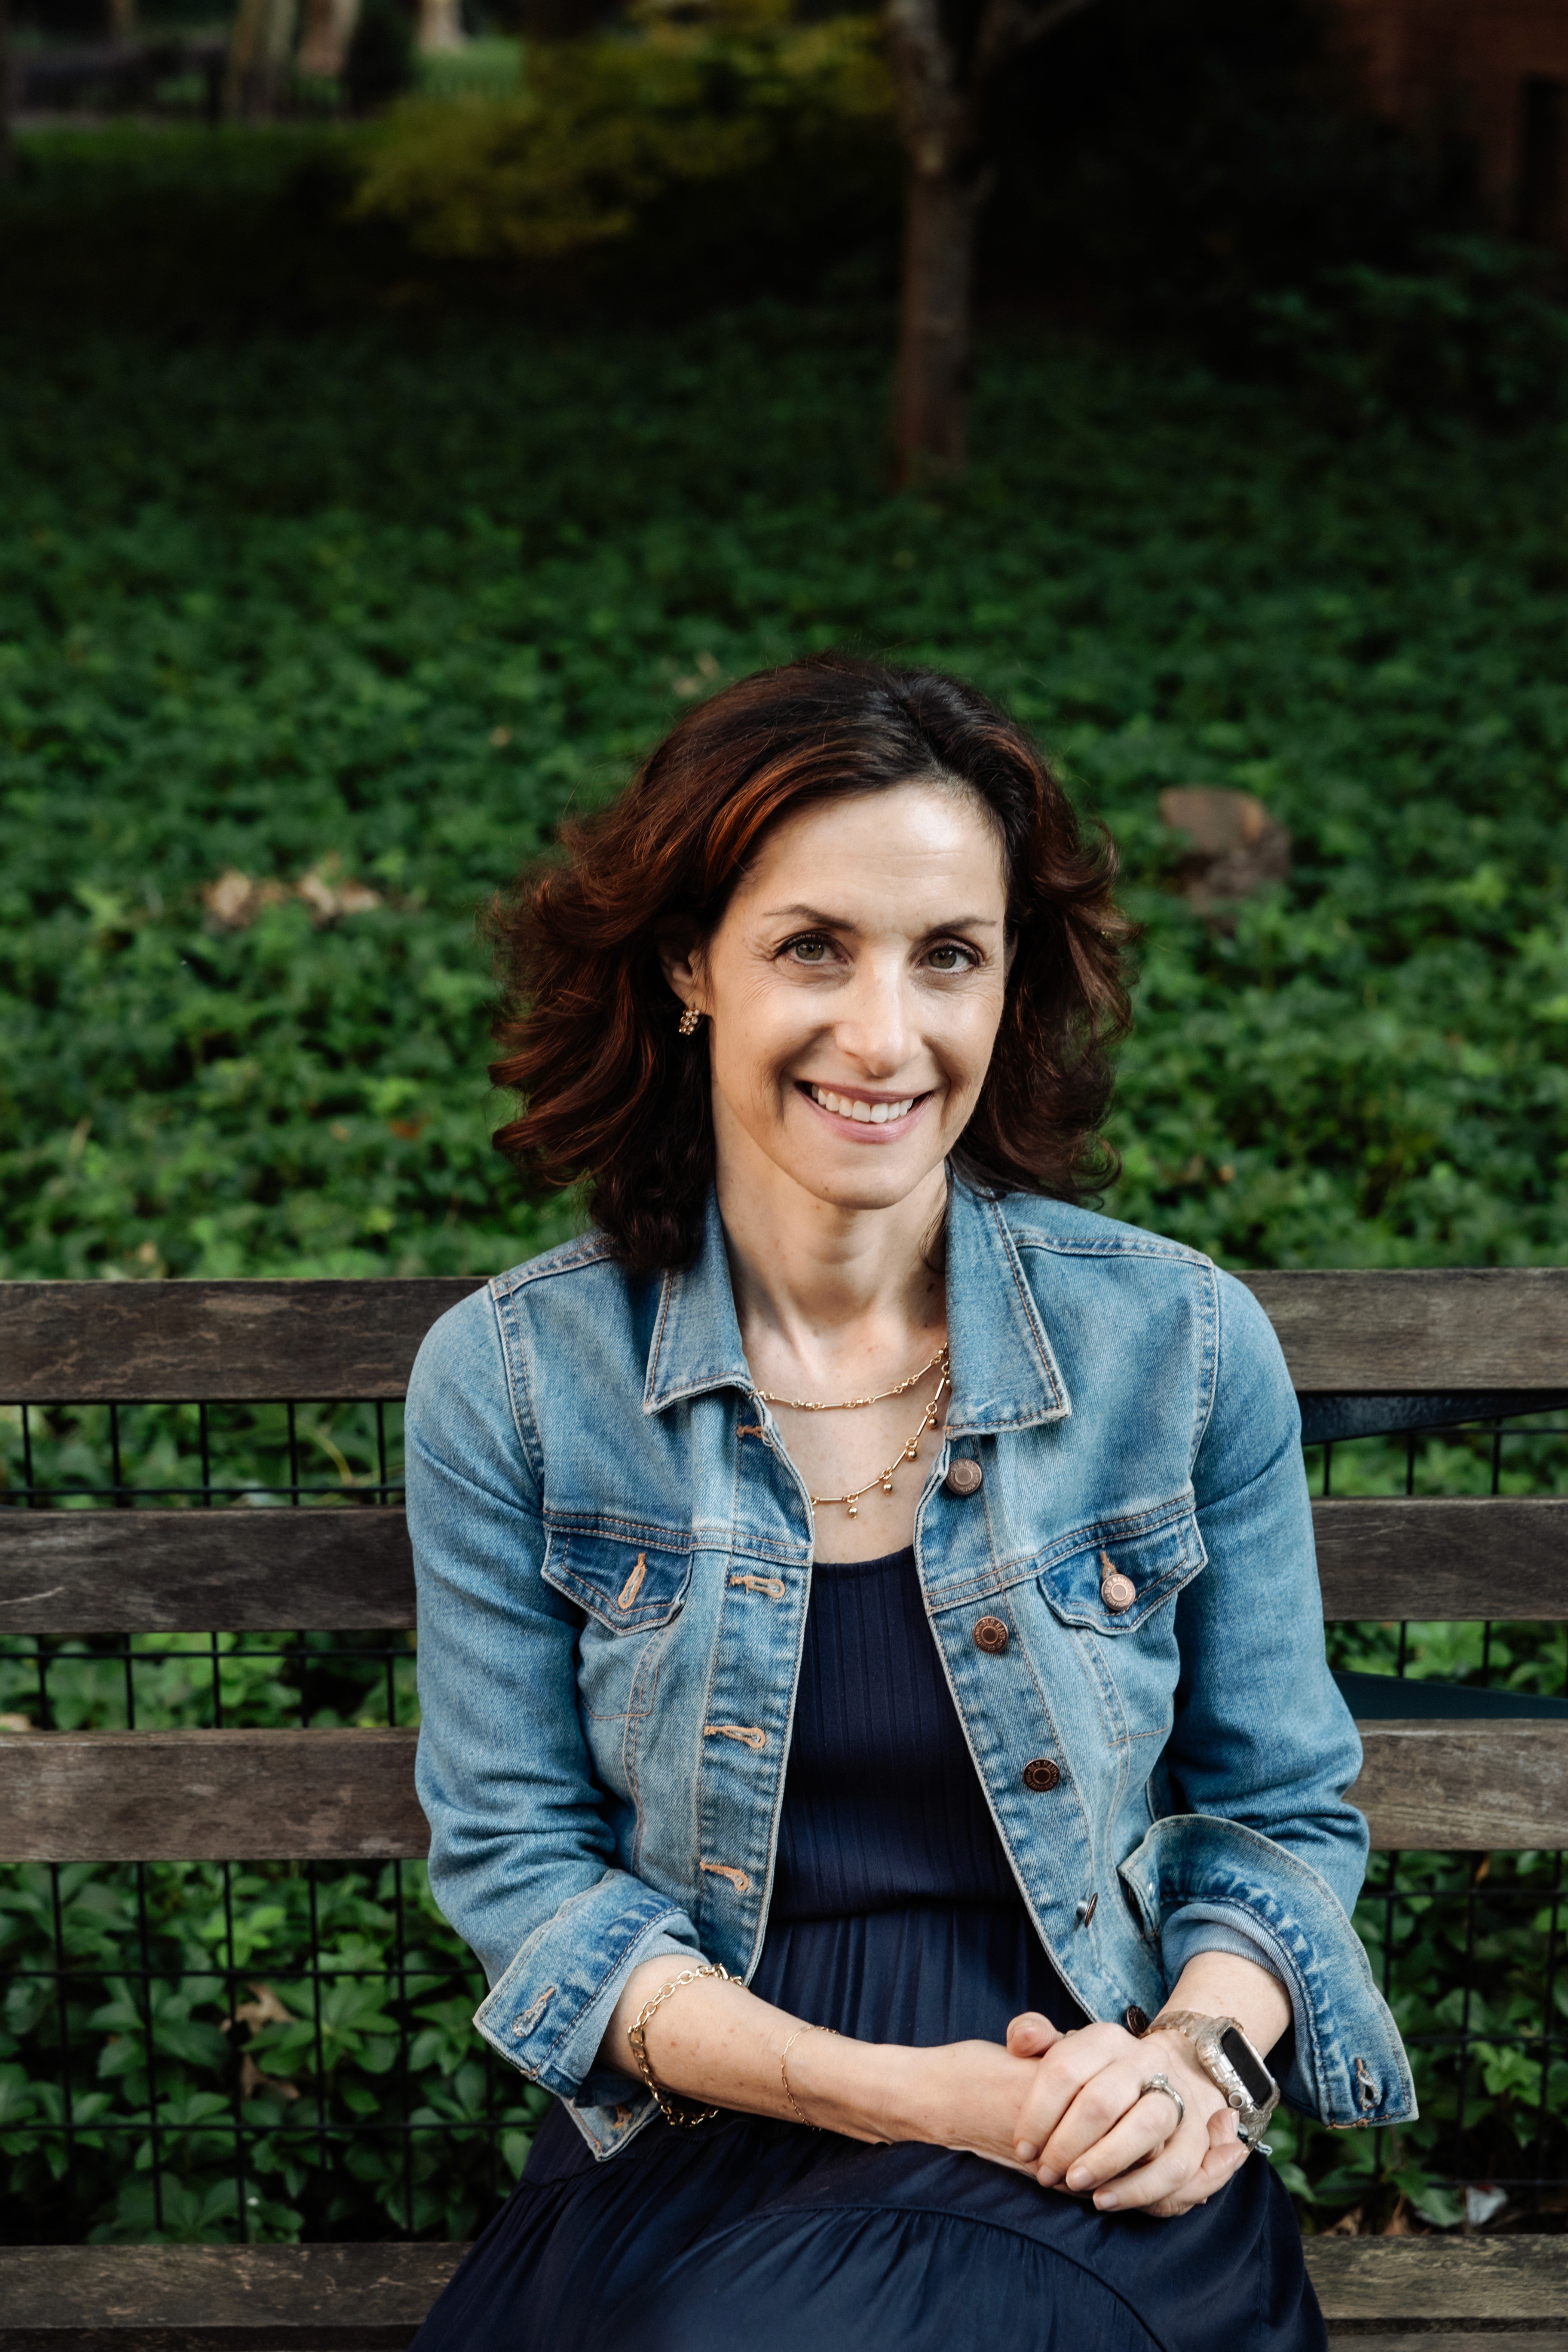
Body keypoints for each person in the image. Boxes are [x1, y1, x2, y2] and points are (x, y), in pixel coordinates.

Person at [405, 658, 1412, 2352]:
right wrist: (913, 2097)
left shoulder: (1173, 1344)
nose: (886, 1035)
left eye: (948, 955)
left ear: (1011, 985)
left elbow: (1283, 1813)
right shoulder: (515, 1381)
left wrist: (1198, 2064)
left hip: (1086, 2123)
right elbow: (528, 1876)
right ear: (685, 967)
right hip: (691, 2132)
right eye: (815, 946)